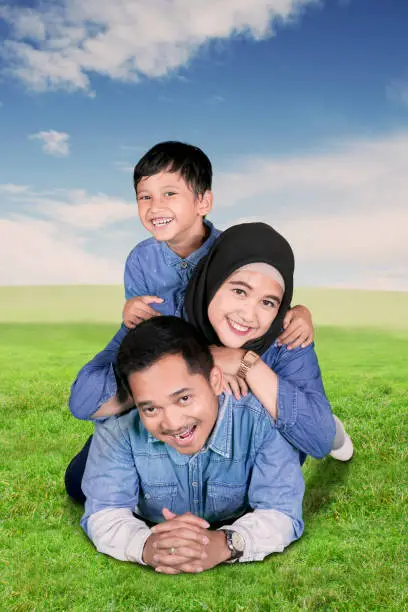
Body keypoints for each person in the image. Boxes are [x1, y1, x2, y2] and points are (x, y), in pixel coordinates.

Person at [66, 222, 352, 505]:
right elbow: (84, 402)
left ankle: (315, 413)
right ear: (214, 278)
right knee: (81, 481)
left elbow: (317, 439)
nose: (248, 315)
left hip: (240, 441)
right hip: (172, 429)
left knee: (303, 434)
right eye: (239, 291)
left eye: (267, 302)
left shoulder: (286, 334)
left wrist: (246, 363)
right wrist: (200, 360)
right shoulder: (164, 312)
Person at [81, 316, 305, 573]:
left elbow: (282, 511)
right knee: (78, 481)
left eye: (184, 398)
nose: (173, 422)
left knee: (295, 451)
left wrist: (225, 544)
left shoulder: (262, 418)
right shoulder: (119, 426)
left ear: (215, 381)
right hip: (112, 457)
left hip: (271, 444)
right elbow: (104, 512)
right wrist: (147, 545)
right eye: (151, 408)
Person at [123, 140, 314, 348]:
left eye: (169, 194)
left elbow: (265, 297)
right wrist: (131, 309)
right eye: (145, 196)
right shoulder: (139, 259)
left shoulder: (234, 251)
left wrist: (301, 312)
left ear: (203, 202)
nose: (154, 207)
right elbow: (141, 321)